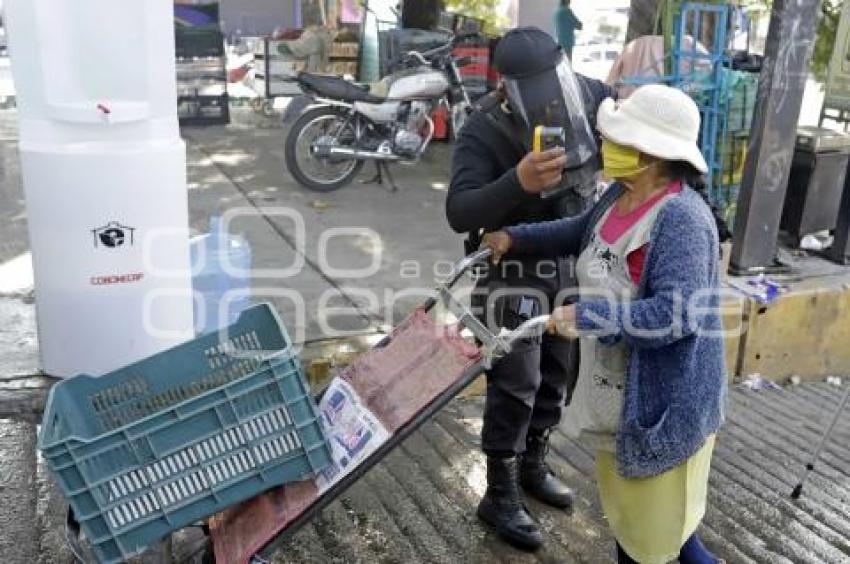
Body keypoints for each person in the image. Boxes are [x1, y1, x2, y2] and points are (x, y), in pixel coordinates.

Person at [482, 84, 729, 563]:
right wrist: (513, 238)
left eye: (620, 138)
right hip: (618, 385)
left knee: (645, 534)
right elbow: (579, 231)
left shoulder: (681, 219)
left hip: (663, 399)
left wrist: (589, 315)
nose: (607, 145)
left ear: (652, 153)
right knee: (648, 519)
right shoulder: (622, 191)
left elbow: (676, 315)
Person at [446, 27, 616, 551]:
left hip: (571, 255)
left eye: (553, 84)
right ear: (505, 86)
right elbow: (460, 211)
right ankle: (498, 492)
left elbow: (635, 137)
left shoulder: (589, 94)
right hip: (511, 263)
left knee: (559, 372)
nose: (547, 100)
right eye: (532, 90)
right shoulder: (484, 128)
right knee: (516, 377)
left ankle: (533, 466)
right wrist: (516, 181)